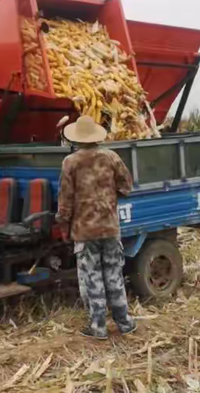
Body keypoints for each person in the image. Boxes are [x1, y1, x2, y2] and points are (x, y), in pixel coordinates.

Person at [56, 115, 137, 339]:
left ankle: (98, 326)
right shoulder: (111, 157)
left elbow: (65, 201)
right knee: (114, 275)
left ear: (77, 138)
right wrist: (109, 198)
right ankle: (125, 322)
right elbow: (127, 186)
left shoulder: (70, 162)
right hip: (110, 227)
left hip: (85, 230)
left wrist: (63, 224)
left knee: (92, 278)